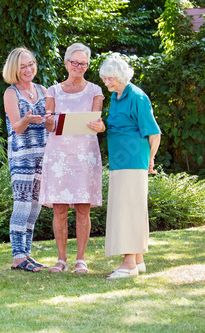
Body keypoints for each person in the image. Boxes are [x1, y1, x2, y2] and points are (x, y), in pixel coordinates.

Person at [39, 43, 105, 274]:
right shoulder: (53, 91)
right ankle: (61, 259)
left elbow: (98, 123)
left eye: (83, 63)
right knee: (59, 209)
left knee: (82, 208)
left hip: (84, 156)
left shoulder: (96, 90)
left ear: (87, 65)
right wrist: (47, 120)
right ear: (66, 63)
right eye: (75, 62)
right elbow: (49, 124)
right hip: (58, 156)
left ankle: (81, 259)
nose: (79, 67)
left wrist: (100, 125)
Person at [99, 54, 161, 279]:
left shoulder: (137, 96)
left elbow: (154, 133)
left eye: (110, 79)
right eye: (105, 79)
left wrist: (150, 160)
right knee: (129, 207)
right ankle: (138, 260)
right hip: (120, 162)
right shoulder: (117, 96)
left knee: (128, 210)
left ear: (122, 76)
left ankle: (129, 264)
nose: (107, 83)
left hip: (133, 161)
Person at [2, 47, 49, 272]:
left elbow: (51, 122)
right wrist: (28, 119)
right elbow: (16, 128)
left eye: (30, 64)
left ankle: (27, 254)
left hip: (43, 155)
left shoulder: (43, 90)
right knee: (21, 205)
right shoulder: (11, 93)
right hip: (22, 157)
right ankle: (17, 256)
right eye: (22, 66)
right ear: (14, 69)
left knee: (35, 207)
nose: (28, 69)